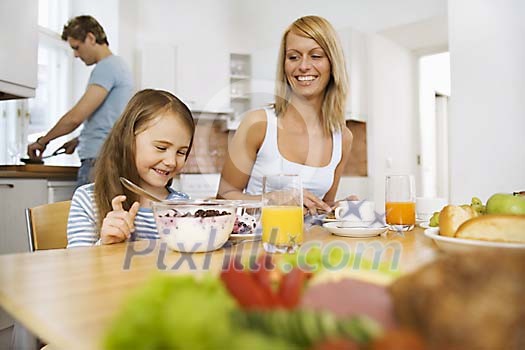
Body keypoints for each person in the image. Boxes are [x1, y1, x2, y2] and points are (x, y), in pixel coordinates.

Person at [217, 15, 355, 215]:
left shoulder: (343, 138)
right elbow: (223, 199)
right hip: (258, 243)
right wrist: (271, 200)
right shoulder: (259, 123)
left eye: (316, 56)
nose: (303, 66)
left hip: (311, 245)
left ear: (333, 64)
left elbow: (321, 209)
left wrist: (341, 207)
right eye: (293, 57)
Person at [67, 89, 195, 247]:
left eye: (181, 152)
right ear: (128, 140)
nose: (171, 162)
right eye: (161, 148)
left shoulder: (182, 206)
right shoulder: (88, 200)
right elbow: (77, 265)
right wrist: (105, 244)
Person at [27, 15, 134, 187]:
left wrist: (42, 141)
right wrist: (78, 140)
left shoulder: (106, 67)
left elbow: (76, 117)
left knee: (89, 215)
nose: (76, 55)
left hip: (98, 161)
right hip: (108, 157)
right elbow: (110, 120)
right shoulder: (119, 66)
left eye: (76, 47)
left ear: (91, 38)